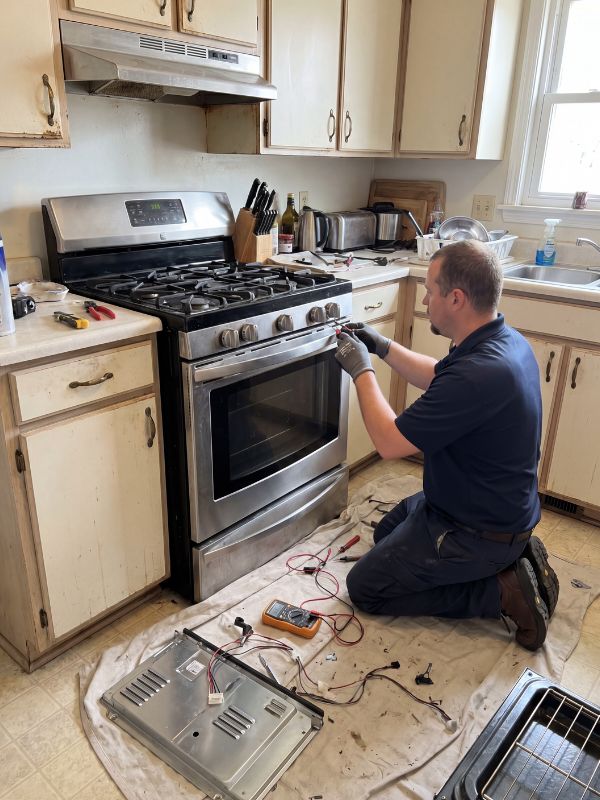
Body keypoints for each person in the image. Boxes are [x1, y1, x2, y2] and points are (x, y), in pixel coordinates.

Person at [335, 240, 559, 651]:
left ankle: (501, 591)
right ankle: (513, 560)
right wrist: (381, 347)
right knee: (387, 532)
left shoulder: (479, 374)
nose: (424, 299)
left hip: (478, 530)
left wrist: (360, 369)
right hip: (484, 508)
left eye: (430, 290)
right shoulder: (502, 342)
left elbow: (388, 441)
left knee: (366, 587)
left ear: (455, 298)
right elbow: (440, 375)